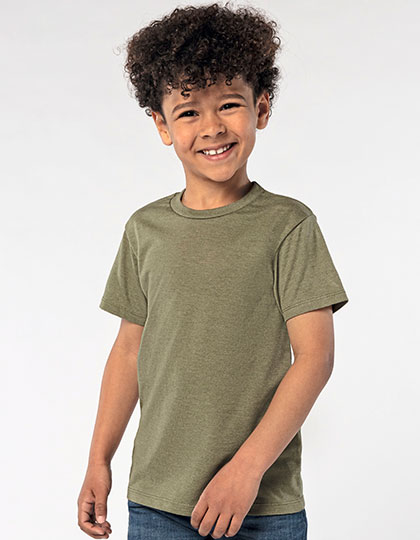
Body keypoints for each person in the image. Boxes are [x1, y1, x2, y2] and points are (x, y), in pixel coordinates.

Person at [77, 2, 349, 539]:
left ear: (261, 108)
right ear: (161, 125)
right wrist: (98, 459)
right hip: (157, 502)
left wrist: (246, 471)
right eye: (188, 112)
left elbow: (314, 358)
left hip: (263, 505)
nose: (212, 127)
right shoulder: (145, 230)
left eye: (229, 104)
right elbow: (129, 351)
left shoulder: (288, 225)